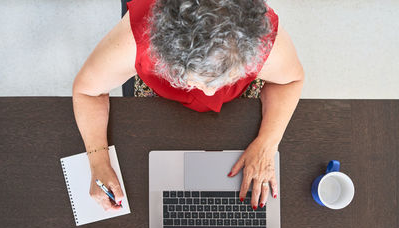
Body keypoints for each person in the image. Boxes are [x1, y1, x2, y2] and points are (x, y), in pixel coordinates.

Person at [72, 0, 304, 211]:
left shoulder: (260, 37)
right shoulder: (138, 38)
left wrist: (267, 143)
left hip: (239, 102)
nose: (212, 92)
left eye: (226, 77)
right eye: (198, 81)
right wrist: (98, 161)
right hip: (160, 96)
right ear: (166, 57)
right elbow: (88, 92)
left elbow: (291, 81)